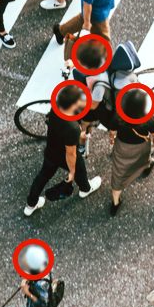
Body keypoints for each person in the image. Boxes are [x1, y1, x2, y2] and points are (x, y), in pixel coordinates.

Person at [24, 82, 100, 215]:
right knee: (79, 171)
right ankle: (85, 189)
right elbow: (70, 153)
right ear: (72, 105)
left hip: (51, 151)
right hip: (64, 155)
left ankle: (30, 205)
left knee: (43, 176)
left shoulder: (55, 109)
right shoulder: (72, 127)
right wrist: (71, 172)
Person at [106, 85, 154, 215]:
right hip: (140, 147)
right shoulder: (148, 119)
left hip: (122, 147)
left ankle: (115, 203)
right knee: (144, 159)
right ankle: (146, 167)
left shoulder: (118, 116)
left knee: (118, 173)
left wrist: (112, 140)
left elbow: (112, 132)